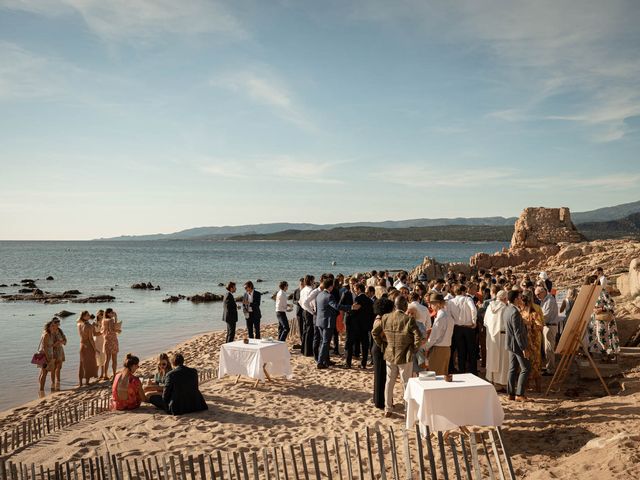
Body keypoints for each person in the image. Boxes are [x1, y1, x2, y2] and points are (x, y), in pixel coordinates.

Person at [372, 295, 421, 417]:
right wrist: (413, 349)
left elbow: (374, 332)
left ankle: (388, 408)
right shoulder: (408, 319)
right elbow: (418, 337)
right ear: (405, 306)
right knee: (406, 383)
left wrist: (383, 345)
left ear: (395, 306)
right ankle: (407, 408)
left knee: (389, 382)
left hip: (390, 354)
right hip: (405, 355)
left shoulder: (386, 317)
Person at [587, 276, 620, 362]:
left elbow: (611, 305)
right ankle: (604, 355)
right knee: (597, 337)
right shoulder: (592, 294)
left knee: (604, 337)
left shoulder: (603, 292)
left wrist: (601, 309)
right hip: (596, 319)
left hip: (605, 320)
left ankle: (609, 355)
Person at [505, 290, 530, 401]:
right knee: (525, 368)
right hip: (517, 344)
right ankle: (519, 394)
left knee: (512, 369)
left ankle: (511, 393)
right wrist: (524, 347)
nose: (521, 299)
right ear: (515, 299)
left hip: (510, 344)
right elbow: (517, 332)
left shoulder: (507, 309)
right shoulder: (514, 312)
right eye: (519, 297)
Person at [447, 285, 478, 374]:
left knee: (461, 351)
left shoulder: (450, 302)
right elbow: (473, 309)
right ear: (463, 291)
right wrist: (474, 321)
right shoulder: (468, 299)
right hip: (468, 327)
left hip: (457, 328)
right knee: (471, 350)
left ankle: (462, 370)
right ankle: (473, 371)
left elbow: (449, 315)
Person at [424, 293, 454, 375]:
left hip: (438, 350)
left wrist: (425, 347)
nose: (430, 306)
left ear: (437, 304)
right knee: (443, 375)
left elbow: (434, 337)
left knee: (436, 377)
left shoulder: (441, 317)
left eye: (431, 304)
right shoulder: (449, 315)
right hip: (447, 349)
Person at [483, 289, 509, 388]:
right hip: (502, 337)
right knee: (502, 360)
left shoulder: (489, 307)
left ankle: (493, 380)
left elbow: (485, 322)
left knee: (492, 358)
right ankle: (501, 383)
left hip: (491, 337)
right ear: (505, 298)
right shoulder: (505, 308)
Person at [345, 283, 373, 369]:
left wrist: (348, 314)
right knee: (364, 346)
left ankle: (348, 363)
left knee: (350, 344)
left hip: (355, 325)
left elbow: (354, 310)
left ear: (359, 289)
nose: (354, 291)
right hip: (365, 326)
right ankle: (363, 363)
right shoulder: (370, 301)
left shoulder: (358, 298)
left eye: (355, 289)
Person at [521, 291, 544, 392]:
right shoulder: (523, 309)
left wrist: (529, 324)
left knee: (533, 361)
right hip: (529, 339)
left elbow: (540, 326)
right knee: (531, 361)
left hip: (533, 339)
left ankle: (534, 386)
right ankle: (531, 385)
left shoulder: (534, 308)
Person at [535, 286, 559, 375]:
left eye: (538, 294)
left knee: (549, 349)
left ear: (543, 292)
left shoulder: (550, 300)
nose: (537, 296)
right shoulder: (545, 300)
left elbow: (545, 315)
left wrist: (535, 320)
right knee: (547, 349)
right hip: (547, 326)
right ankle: (549, 367)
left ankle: (551, 369)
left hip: (550, 326)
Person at [77, 311, 99, 387]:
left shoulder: (79, 324)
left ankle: (80, 383)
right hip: (88, 346)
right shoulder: (88, 326)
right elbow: (91, 339)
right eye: (87, 315)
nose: (89, 316)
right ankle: (87, 382)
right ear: (83, 316)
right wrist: (95, 349)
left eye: (89, 314)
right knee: (89, 364)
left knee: (82, 363)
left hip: (81, 345)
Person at [102, 308, 122, 380]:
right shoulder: (111, 320)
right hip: (113, 340)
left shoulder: (104, 320)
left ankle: (105, 375)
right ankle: (114, 374)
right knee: (114, 359)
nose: (113, 313)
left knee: (107, 359)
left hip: (107, 340)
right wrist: (118, 331)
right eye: (112, 313)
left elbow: (111, 327)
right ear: (108, 313)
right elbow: (112, 329)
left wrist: (116, 318)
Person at [299, 275, 316, 357]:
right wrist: (312, 312)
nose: (314, 282)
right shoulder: (311, 290)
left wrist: (305, 308)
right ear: (311, 281)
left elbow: (300, 302)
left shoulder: (303, 290)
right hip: (309, 312)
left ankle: (303, 350)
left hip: (304, 311)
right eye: (313, 280)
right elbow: (311, 302)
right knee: (309, 331)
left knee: (305, 331)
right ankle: (308, 351)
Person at [38, 320, 56, 392]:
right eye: (52, 325)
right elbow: (44, 347)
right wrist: (48, 358)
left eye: (53, 325)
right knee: (44, 373)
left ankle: (41, 389)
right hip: (44, 355)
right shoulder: (46, 334)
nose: (53, 327)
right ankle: (41, 389)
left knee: (43, 372)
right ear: (48, 327)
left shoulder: (50, 334)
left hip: (48, 354)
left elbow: (49, 345)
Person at [51, 317, 66, 391]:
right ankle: (53, 383)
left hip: (60, 350)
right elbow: (48, 344)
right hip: (53, 351)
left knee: (59, 367)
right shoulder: (50, 331)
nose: (58, 324)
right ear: (52, 323)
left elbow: (65, 341)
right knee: (53, 368)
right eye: (56, 322)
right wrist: (55, 344)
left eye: (58, 322)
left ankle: (58, 382)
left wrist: (62, 342)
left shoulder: (60, 331)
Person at [94, 310, 107, 380]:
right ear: (98, 315)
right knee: (97, 357)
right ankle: (96, 374)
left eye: (103, 314)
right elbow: (93, 333)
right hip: (96, 341)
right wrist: (99, 333)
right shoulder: (94, 323)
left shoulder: (104, 323)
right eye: (100, 314)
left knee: (103, 357)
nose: (102, 315)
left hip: (103, 340)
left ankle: (102, 373)